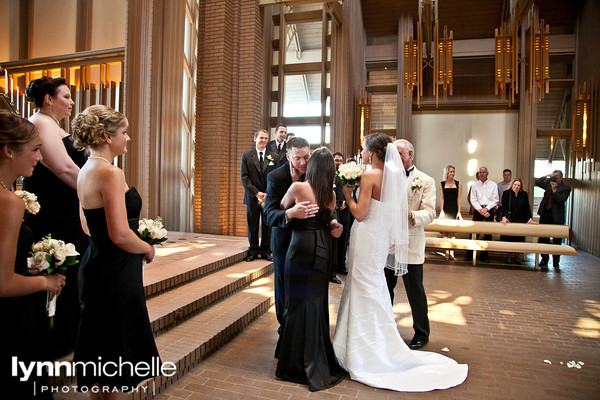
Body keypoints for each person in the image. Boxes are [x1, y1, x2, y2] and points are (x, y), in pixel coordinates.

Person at [333, 133, 467, 392]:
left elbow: (360, 214)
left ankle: (358, 349)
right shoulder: (395, 178)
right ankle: (372, 342)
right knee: (372, 287)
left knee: (363, 287)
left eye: (363, 149)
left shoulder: (370, 176)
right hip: (379, 242)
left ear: (371, 153)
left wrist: (348, 194)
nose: (361, 153)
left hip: (366, 238)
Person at [71, 105, 160, 397]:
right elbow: (120, 233)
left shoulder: (85, 170)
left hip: (96, 263)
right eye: (124, 132)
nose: (128, 138)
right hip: (116, 271)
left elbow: (86, 224)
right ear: (107, 137)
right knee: (119, 351)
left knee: (103, 351)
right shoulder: (110, 172)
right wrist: (146, 247)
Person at [0, 111, 65, 399]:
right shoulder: (8, 202)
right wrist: (47, 283)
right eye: (35, 149)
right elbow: (3, 283)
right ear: (8, 150)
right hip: (10, 320)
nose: (39, 157)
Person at [23, 76, 89, 358]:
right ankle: (57, 336)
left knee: (73, 267)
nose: (71, 102)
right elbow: (63, 169)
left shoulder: (52, 125)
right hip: (53, 212)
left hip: (65, 209)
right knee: (63, 265)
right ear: (49, 99)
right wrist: (98, 191)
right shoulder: (40, 122)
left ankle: (68, 333)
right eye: (65, 96)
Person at [275, 147, 346, 391]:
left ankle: (293, 364)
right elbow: (328, 221)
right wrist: (334, 223)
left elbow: (282, 208)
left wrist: (292, 212)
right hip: (323, 249)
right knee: (316, 303)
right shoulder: (331, 195)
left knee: (296, 303)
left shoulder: (298, 188)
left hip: (301, 248)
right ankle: (317, 357)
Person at [264, 137, 342, 351]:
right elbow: (269, 214)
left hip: (310, 245)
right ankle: (287, 338)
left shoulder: (315, 173)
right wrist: (290, 213)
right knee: (284, 293)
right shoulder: (275, 177)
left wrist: (334, 221)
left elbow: (328, 205)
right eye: (298, 158)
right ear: (288, 156)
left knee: (307, 294)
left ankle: (302, 342)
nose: (303, 162)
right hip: (284, 243)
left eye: (307, 157)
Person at [384, 139, 435, 350]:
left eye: (400, 153)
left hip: (411, 243)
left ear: (410, 155)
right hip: (388, 244)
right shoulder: (386, 178)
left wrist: (411, 215)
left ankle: (421, 333)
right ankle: (385, 328)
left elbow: (431, 212)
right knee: (386, 289)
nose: (395, 158)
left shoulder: (425, 180)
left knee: (415, 291)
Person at [240, 129, 277, 261]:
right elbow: (244, 178)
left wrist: (268, 193)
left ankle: (266, 251)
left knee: (268, 225)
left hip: (268, 197)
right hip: (252, 197)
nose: (264, 141)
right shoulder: (246, 156)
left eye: (266, 138)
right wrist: (257, 193)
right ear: (255, 139)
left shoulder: (273, 157)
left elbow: (275, 177)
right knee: (253, 225)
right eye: (261, 138)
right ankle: (253, 251)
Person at [535, 170, 571, 269]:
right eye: (553, 175)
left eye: (556, 176)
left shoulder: (566, 188)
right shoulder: (548, 184)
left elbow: (561, 200)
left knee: (557, 240)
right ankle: (544, 259)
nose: (554, 178)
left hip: (557, 217)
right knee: (543, 238)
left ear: (561, 178)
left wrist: (555, 190)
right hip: (545, 214)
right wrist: (547, 175)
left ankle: (556, 261)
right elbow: (537, 182)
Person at [469, 166, 499, 263]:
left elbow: (496, 199)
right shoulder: (474, 185)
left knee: (487, 234)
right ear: (479, 174)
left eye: (484, 172)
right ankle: (469, 254)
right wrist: (480, 210)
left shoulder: (493, 185)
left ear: (487, 173)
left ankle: (484, 256)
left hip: (489, 209)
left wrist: (487, 209)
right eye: (480, 172)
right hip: (478, 209)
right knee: (474, 232)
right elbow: (473, 199)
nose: (482, 174)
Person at [500, 178, 533, 264]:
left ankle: (517, 256)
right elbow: (504, 206)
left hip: (521, 220)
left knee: (519, 239)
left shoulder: (524, 194)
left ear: (521, 186)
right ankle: (509, 256)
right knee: (509, 239)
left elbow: (527, 207)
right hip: (509, 219)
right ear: (512, 185)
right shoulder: (507, 193)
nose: (516, 187)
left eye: (518, 185)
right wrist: (504, 216)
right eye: (515, 185)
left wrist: (530, 218)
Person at [439, 164, 462, 261]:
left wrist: (459, 212)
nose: (453, 173)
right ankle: (446, 252)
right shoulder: (442, 184)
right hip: (446, 209)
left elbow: (459, 198)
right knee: (445, 232)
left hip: (454, 209)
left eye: (453, 171)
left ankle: (452, 251)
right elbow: (441, 198)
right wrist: (441, 211)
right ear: (447, 173)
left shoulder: (458, 183)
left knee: (452, 233)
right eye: (451, 171)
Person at [332, 152, 349, 276]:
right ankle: (333, 269)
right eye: (336, 160)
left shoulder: (346, 175)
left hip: (345, 212)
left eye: (340, 161)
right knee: (335, 242)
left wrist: (346, 201)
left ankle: (341, 266)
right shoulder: (329, 174)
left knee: (344, 242)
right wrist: (338, 204)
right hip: (334, 212)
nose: (338, 163)